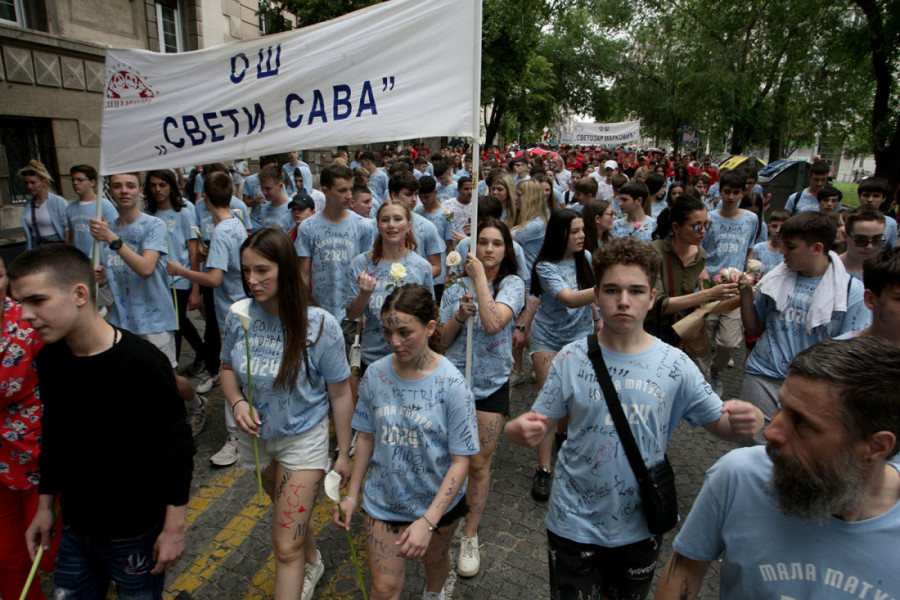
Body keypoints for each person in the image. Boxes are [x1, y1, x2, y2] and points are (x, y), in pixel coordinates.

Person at [505, 237, 763, 600]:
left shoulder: (675, 364)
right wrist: (516, 430)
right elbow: (538, 421)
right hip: (573, 522)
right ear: (596, 296)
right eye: (612, 290)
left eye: (636, 291)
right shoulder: (570, 358)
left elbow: (717, 422)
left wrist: (740, 422)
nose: (623, 301)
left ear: (652, 297)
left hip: (641, 523)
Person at [655, 337, 900, 599]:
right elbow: (684, 571)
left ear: (876, 447)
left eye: (802, 423)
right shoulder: (740, 475)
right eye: (780, 408)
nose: (770, 432)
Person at [14, 244, 194, 600]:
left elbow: (176, 448)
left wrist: (174, 528)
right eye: (20, 302)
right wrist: (45, 506)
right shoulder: (50, 360)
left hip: (135, 532)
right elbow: (54, 435)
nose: (24, 315)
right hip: (76, 527)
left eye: (37, 301)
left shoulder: (142, 362)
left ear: (80, 294)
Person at [222, 228, 353, 600]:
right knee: (288, 514)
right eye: (246, 271)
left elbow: (341, 392)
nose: (252, 280)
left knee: (284, 545)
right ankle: (311, 560)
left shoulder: (320, 325)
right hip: (258, 441)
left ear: (286, 269)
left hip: (303, 440)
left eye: (262, 270)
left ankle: (300, 561)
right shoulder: (238, 314)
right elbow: (226, 368)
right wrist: (238, 402)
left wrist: (344, 454)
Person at [333, 284, 479, 600]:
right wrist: (352, 495)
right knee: (384, 589)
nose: (394, 342)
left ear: (430, 328)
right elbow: (366, 437)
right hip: (383, 502)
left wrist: (428, 521)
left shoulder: (453, 385)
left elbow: (461, 461)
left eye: (404, 332)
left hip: (436, 504)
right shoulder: (375, 375)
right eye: (388, 332)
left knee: (435, 559)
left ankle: (434, 592)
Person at [439, 218, 525, 578]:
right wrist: (459, 315)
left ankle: (470, 535)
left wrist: (479, 282)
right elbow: (440, 340)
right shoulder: (454, 286)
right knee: (447, 460)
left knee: (478, 464)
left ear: (507, 250)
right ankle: (440, 520)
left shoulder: (512, 284)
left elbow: (493, 323)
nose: (489, 249)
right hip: (452, 385)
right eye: (483, 242)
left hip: (490, 386)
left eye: (497, 243)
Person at [90, 172, 207, 436]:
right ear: (110, 190)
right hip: (122, 320)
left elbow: (145, 268)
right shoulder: (105, 231)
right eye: (117, 186)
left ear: (139, 190)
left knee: (169, 378)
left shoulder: (152, 225)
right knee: (132, 378)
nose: (124, 191)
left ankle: (196, 404)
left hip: (154, 318)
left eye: (130, 186)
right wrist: (101, 279)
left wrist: (113, 240)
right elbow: (108, 292)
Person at [738, 211, 870, 445]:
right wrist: (745, 293)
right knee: (751, 447)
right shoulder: (774, 279)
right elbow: (754, 329)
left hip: (812, 386)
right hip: (763, 375)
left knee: (796, 450)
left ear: (817, 248)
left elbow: (852, 349)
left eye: (791, 247)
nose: (782, 252)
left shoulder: (851, 291)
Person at [167, 171, 248, 461]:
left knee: (232, 374)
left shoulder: (223, 230)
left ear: (206, 201)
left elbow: (214, 279)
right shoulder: (235, 222)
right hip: (239, 310)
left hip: (232, 313)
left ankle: (236, 436)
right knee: (238, 373)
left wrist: (181, 271)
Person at [528, 209, 599, 501]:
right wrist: (609, 288)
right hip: (547, 338)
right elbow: (569, 299)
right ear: (560, 235)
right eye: (575, 231)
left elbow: (588, 297)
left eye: (583, 230)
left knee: (575, 397)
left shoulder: (587, 258)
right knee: (549, 401)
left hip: (581, 338)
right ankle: (544, 469)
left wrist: (598, 319)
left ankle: (563, 436)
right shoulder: (545, 266)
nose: (582, 236)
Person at [0, 252, 60, 600]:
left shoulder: (30, 324)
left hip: (38, 454)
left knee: (50, 549)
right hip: (1, 466)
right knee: (7, 558)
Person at [344, 199, 434, 374]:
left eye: (398, 219)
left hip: (411, 359)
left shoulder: (421, 267)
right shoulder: (362, 264)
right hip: (372, 359)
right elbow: (351, 314)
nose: (391, 225)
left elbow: (429, 315)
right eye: (385, 220)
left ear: (408, 226)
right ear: (378, 226)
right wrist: (364, 294)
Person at [645, 194, 738, 346]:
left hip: (682, 330)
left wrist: (729, 286)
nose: (703, 231)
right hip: (653, 331)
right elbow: (658, 305)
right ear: (676, 227)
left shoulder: (700, 255)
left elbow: (691, 296)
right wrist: (708, 294)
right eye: (697, 226)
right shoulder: (654, 252)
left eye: (706, 225)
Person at [700, 170, 759, 391]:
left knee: (729, 342)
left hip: (736, 288)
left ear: (743, 193)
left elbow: (749, 249)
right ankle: (702, 385)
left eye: (736, 192)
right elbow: (700, 249)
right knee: (704, 339)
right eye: (727, 192)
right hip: (711, 286)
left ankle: (716, 370)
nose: (731, 197)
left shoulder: (751, 219)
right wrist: (702, 274)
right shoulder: (709, 218)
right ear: (720, 191)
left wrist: (750, 272)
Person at [143, 169, 205, 370]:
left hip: (179, 279)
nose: (158, 189)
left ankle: (173, 368)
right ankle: (201, 351)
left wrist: (195, 288)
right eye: (153, 185)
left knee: (176, 323)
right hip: (156, 280)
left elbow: (193, 251)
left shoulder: (184, 214)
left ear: (171, 187)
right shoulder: (147, 215)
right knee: (176, 322)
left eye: (162, 185)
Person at [389, 173, 445, 281]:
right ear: (394, 195)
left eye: (416, 194)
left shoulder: (427, 226)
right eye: (408, 194)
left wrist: (413, 280)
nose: (414, 199)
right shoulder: (378, 225)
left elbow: (436, 266)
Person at [64, 164, 118, 258]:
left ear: (92, 182)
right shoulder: (70, 207)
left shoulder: (104, 205)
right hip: (79, 257)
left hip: (100, 257)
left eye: (80, 180)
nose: (75, 183)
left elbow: (116, 232)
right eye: (73, 180)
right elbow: (70, 235)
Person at [18, 160, 68, 249]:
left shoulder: (58, 202)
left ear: (44, 182)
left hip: (55, 245)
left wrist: (68, 249)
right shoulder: (29, 204)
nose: (29, 186)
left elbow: (68, 227)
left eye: (33, 182)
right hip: (36, 245)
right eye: (26, 183)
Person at [839, 207, 887, 281]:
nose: (869, 246)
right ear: (845, 235)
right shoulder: (829, 269)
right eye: (861, 240)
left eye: (877, 239)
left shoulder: (888, 273)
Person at [857, 176, 898, 247]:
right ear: (859, 196)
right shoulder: (847, 219)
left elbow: (891, 250)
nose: (870, 200)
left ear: (883, 198)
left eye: (876, 196)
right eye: (866, 195)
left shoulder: (890, 223)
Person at [257, 166, 295, 234]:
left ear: (280, 186)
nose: (264, 192)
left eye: (268, 189)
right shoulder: (264, 208)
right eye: (262, 188)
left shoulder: (293, 208)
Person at [752, 208, 790, 276]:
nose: (778, 231)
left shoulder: (791, 251)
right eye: (774, 226)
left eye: (782, 227)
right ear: (768, 227)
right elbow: (750, 273)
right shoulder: (758, 249)